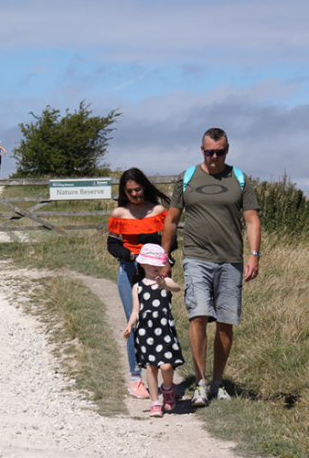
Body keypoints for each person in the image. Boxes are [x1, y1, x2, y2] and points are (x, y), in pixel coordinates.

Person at [160, 127, 261, 407]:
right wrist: (164, 258)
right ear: (201, 149)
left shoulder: (239, 179)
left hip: (231, 259)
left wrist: (254, 255)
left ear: (227, 150)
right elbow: (171, 220)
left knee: (226, 323)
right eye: (209, 151)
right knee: (199, 316)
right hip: (196, 257)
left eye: (219, 151)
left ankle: (218, 382)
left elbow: (252, 220)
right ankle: (200, 383)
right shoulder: (187, 178)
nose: (214, 156)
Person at [107, 168, 172, 399]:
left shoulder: (158, 211)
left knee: (158, 320)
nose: (135, 194)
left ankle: (164, 378)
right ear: (124, 192)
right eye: (130, 191)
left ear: (145, 186)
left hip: (156, 272)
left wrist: (165, 263)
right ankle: (136, 379)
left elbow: (169, 241)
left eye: (138, 189)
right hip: (129, 271)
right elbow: (112, 245)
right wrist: (130, 256)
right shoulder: (119, 213)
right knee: (133, 321)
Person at [123, 243, 184, 418]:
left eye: (159, 264)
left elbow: (177, 288)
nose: (155, 268)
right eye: (151, 264)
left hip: (164, 331)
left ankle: (167, 388)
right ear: (142, 264)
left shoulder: (165, 282)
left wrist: (165, 285)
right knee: (151, 367)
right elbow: (136, 311)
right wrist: (129, 325)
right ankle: (155, 402)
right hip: (146, 332)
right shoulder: (138, 287)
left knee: (166, 365)